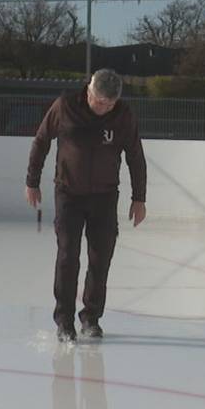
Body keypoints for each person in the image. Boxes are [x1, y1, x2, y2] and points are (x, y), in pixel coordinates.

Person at [25, 69, 147, 343]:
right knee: (68, 257)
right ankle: (64, 321)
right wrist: (32, 181)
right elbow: (42, 141)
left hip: (105, 196)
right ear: (89, 90)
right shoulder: (65, 106)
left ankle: (91, 318)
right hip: (69, 194)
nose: (104, 108)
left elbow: (135, 155)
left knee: (100, 259)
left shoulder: (123, 115)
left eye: (110, 104)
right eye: (100, 102)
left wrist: (139, 198)